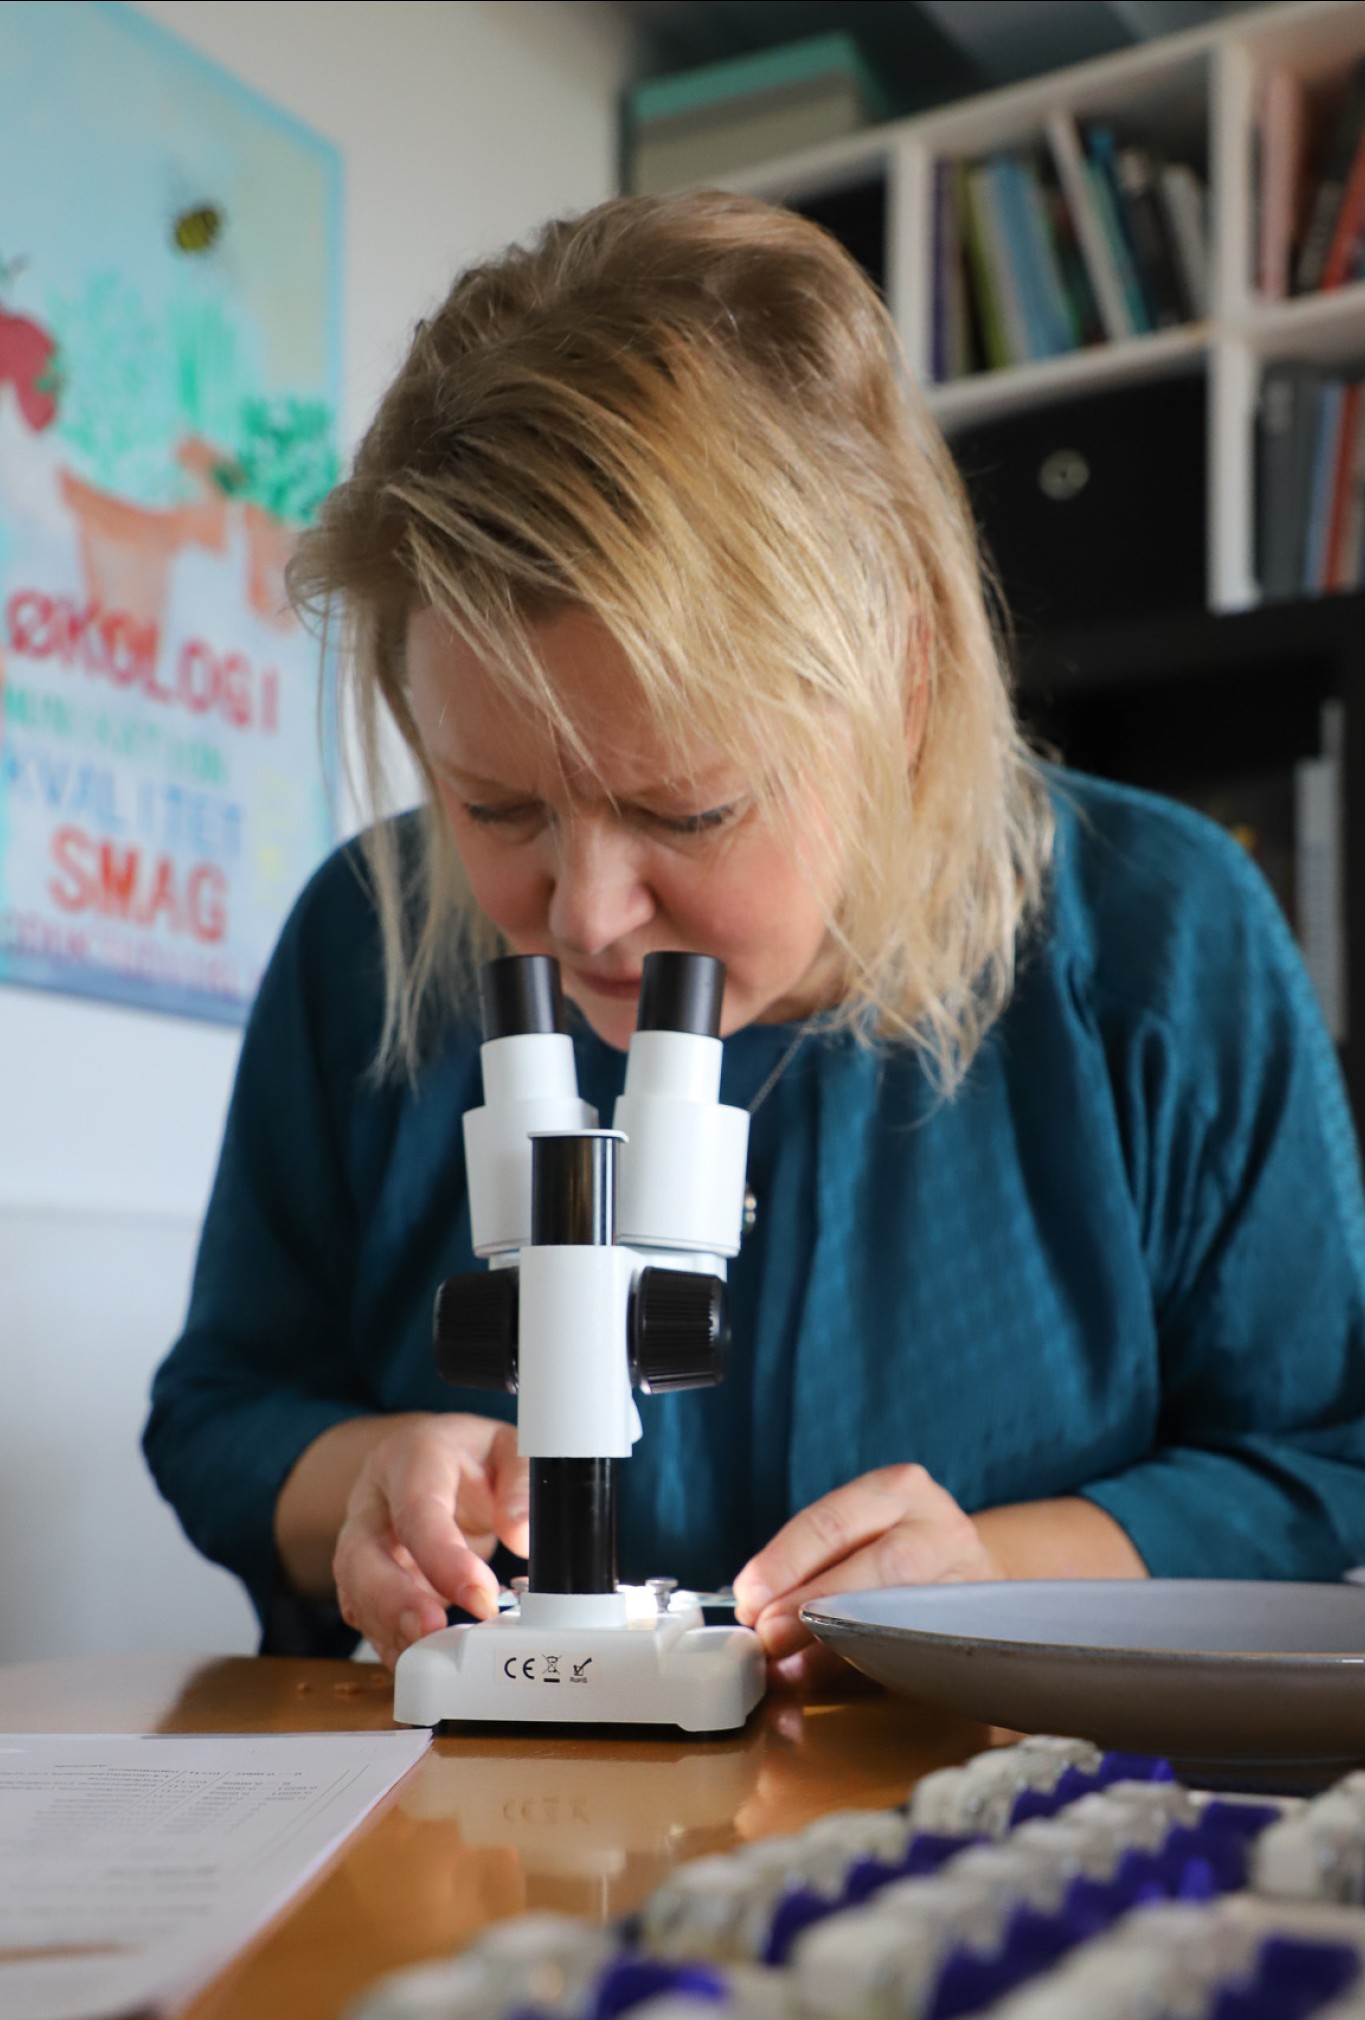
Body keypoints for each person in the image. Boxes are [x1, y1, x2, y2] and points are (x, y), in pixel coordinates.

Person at [144, 191, 1365, 1686]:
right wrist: (369, 1480)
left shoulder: (1160, 936)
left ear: (901, 691)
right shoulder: (362, 941)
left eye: (691, 810)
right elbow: (222, 1407)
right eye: (498, 806)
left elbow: (1319, 1462)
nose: (585, 917)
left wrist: (999, 1570)